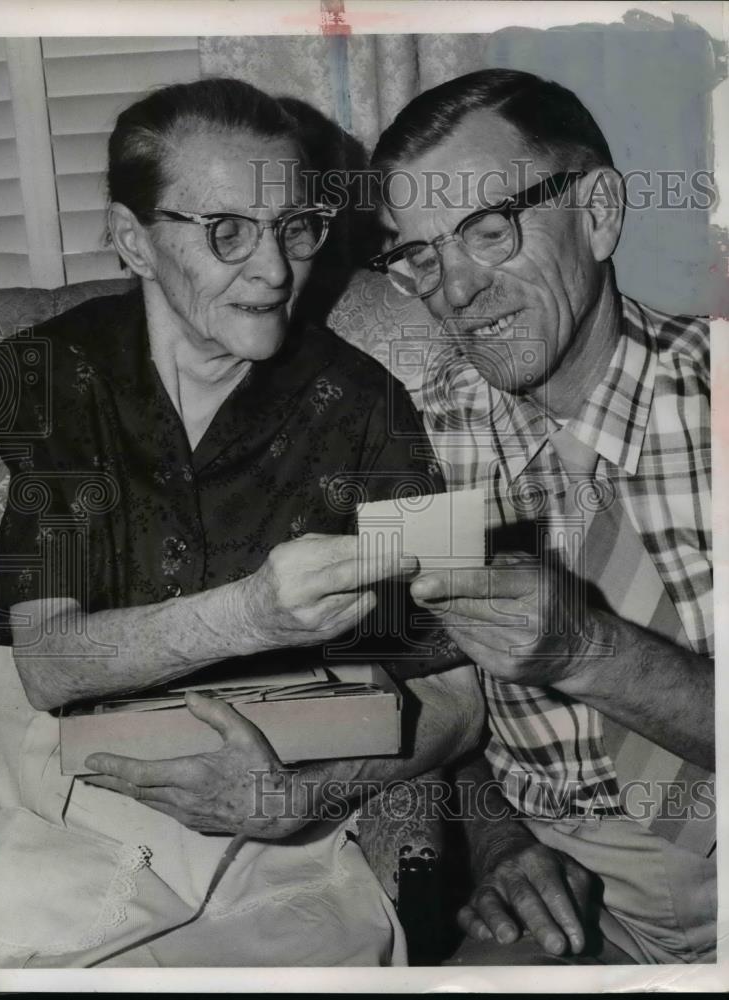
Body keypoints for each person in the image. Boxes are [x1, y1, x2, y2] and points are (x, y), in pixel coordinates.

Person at [0, 77, 482, 968]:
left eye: (294, 226)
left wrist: (307, 797)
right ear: (133, 241)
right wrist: (247, 614)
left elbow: (460, 694)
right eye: (226, 231)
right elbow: (49, 664)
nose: (274, 269)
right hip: (43, 782)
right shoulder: (50, 369)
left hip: (271, 807)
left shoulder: (374, 403)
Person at [368, 69, 715, 964]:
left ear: (597, 213)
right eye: (418, 255)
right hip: (578, 892)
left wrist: (587, 652)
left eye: (488, 230)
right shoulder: (419, 441)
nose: (454, 290)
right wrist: (502, 845)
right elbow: (441, 720)